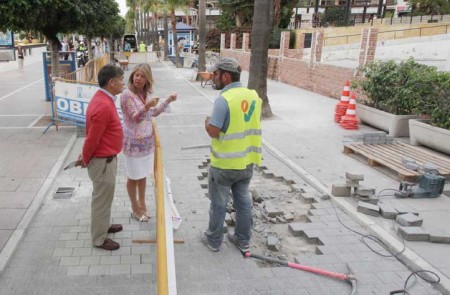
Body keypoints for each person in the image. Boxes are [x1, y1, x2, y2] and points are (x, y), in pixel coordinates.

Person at [202, 57, 262, 253]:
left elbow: (214, 131)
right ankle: (243, 239)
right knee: (243, 201)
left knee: (218, 203)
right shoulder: (253, 96)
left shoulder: (224, 100)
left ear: (226, 76)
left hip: (225, 165)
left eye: (216, 74)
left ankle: (213, 240)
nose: (213, 77)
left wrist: (207, 123)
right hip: (247, 162)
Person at [77, 64, 125, 251]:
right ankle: (99, 238)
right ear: (111, 82)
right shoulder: (103, 105)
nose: (123, 83)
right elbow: (91, 138)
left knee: (105, 198)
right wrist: (85, 158)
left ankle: (103, 226)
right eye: (121, 79)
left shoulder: (104, 99)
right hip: (102, 162)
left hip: (107, 160)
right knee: (101, 200)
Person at [120, 63, 177, 222]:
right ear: (132, 76)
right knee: (133, 176)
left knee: (142, 175)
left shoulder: (143, 94)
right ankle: (134, 207)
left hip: (146, 144)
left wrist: (168, 101)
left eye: (143, 76)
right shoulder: (127, 94)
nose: (139, 78)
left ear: (147, 80)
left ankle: (142, 203)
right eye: (137, 75)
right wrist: (146, 106)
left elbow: (154, 113)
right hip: (133, 144)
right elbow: (135, 117)